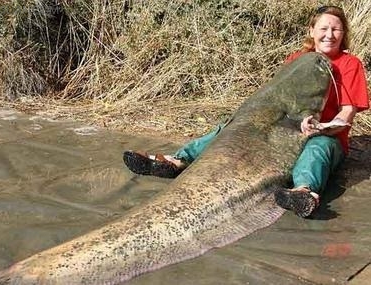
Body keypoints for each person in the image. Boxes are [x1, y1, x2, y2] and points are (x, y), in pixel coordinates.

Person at [123, 6, 369, 218]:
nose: (329, 35)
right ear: (312, 31)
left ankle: (304, 192)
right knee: (231, 129)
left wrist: (323, 127)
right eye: (324, 28)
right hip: (285, 128)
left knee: (317, 149)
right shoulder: (296, 59)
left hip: (326, 135)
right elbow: (274, 100)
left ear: (343, 33)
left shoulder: (351, 64)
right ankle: (178, 160)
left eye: (336, 29)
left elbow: (347, 113)